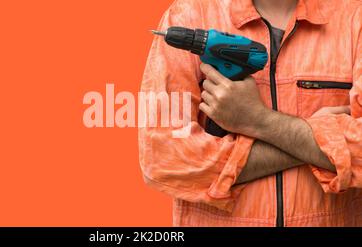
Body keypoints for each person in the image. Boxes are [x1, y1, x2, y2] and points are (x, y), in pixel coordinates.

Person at [139, 0, 362, 226]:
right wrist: (318, 141)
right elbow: (163, 158)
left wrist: (257, 119)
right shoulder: (188, 15)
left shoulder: (355, 17)